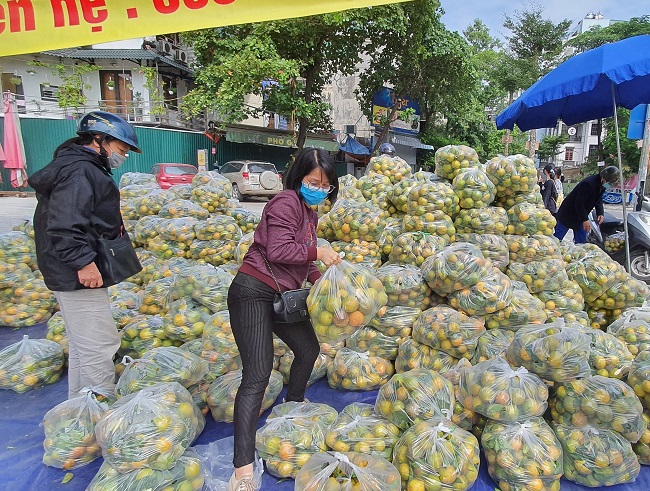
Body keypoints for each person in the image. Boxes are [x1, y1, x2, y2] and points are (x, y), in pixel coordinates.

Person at [226, 148, 342, 491]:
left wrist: (324, 281)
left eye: (325, 184)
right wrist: (318, 252)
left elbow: (302, 262)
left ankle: (293, 405)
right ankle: (242, 472)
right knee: (257, 375)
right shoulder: (285, 203)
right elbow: (278, 251)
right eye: (312, 182)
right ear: (298, 179)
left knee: (308, 349)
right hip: (253, 292)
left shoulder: (310, 214)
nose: (318, 188)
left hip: (282, 298)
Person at [30, 111, 142, 398]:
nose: (123, 156)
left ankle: (81, 408)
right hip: (75, 271)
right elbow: (65, 224)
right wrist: (84, 263)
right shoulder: (80, 171)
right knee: (99, 344)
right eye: (121, 149)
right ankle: (97, 416)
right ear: (98, 139)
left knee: (82, 345)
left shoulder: (78, 166)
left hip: (67, 269)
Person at [553, 166, 620, 244]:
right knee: (557, 239)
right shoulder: (589, 184)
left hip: (581, 215)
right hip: (568, 213)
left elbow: (598, 198)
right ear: (603, 178)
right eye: (608, 181)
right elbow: (579, 203)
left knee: (581, 242)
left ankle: (579, 254)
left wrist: (600, 212)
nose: (608, 184)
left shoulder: (604, 184)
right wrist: (585, 219)